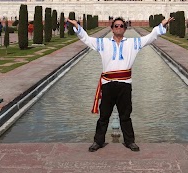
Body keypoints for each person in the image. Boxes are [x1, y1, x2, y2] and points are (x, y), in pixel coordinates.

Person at [66, 16, 174, 152]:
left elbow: (150, 37)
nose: (118, 28)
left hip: (125, 84)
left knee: (125, 115)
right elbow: (86, 39)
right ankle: (98, 141)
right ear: (111, 29)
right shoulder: (103, 43)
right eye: (116, 26)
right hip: (108, 84)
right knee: (104, 115)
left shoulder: (133, 43)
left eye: (121, 26)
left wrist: (161, 25)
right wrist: (78, 27)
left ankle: (130, 141)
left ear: (125, 28)